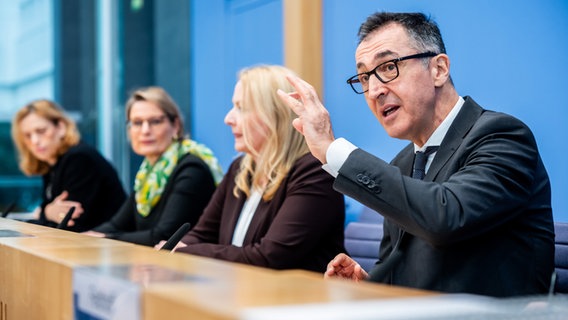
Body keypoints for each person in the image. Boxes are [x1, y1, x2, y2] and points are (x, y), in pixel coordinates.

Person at [277, 12, 554, 297]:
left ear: (439, 69)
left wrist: (331, 149)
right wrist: (371, 287)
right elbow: (405, 265)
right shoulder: (403, 163)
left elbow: (446, 216)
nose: (374, 90)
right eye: (363, 77)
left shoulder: (502, 136)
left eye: (388, 67)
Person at [171, 65, 346, 273]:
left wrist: (183, 252)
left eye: (241, 108)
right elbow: (201, 234)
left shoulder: (315, 172)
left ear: (275, 116)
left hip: (297, 300)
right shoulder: (241, 168)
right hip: (242, 295)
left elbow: (269, 258)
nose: (228, 119)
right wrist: (176, 248)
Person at [84, 86, 223, 246]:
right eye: (137, 123)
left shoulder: (192, 170)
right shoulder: (149, 174)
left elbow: (164, 236)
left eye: (155, 121)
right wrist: (82, 238)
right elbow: (117, 224)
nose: (145, 130)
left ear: (175, 125)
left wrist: (106, 239)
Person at [11, 99, 127, 232]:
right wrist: (48, 212)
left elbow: (70, 223)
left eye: (41, 131)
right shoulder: (52, 163)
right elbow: (51, 215)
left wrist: (45, 212)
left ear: (61, 128)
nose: (35, 140)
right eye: (27, 135)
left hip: (109, 246)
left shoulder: (79, 158)